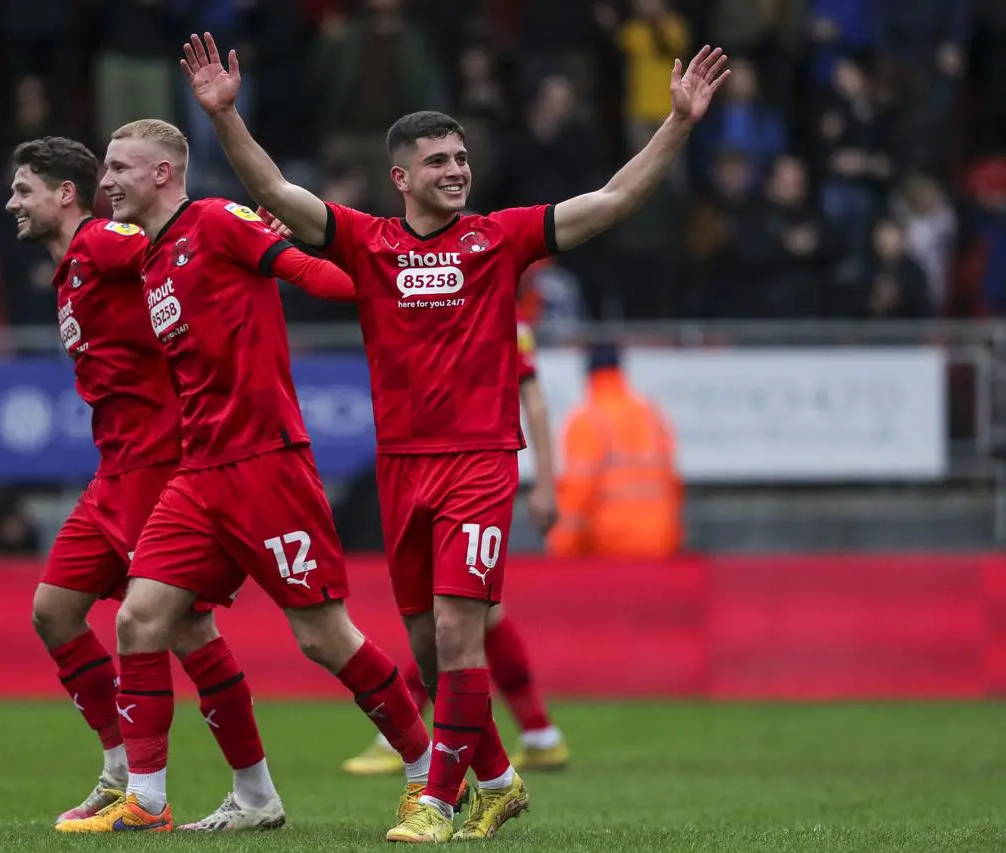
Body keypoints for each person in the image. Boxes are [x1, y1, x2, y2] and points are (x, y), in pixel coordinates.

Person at [180, 31, 728, 841]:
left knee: (455, 630)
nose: (456, 171)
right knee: (431, 653)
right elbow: (273, 188)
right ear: (400, 176)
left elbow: (611, 202)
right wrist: (225, 116)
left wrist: (677, 125)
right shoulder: (368, 243)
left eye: (461, 158)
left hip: (479, 460)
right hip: (403, 467)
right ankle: (500, 779)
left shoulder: (499, 238)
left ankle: (435, 801)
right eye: (438, 162)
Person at [56, 119, 447, 836]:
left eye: (118, 167)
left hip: (266, 462)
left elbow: (310, 273)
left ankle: (428, 774)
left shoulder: (216, 220)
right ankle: (151, 799)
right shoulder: (148, 258)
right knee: (140, 619)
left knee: (325, 637)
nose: (104, 181)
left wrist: (397, 289)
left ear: (164, 173)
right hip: (198, 470)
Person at [7, 136, 286, 831]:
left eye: (23, 189)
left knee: (185, 627)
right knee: (54, 610)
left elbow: (176, 256)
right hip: (114, 467)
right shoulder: (71, 267)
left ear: (62, 194)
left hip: (158, 462)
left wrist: (250, 242)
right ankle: (118, 771)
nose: (12, 202)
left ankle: (236, 790)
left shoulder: (105, 241)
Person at [343, 313, 569, 776]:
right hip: (435, 468)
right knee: (469, 618)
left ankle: (404, 737)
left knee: (452, 620)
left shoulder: (500, 315)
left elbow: (535, 402)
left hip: (472, 473)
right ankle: (538, 732)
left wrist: (547, 485)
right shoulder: (446, 298)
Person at [547, 343, 682, 559]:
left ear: (589, 375)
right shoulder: (652, 415)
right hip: (662, 542)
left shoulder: (587, 419)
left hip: (611, 546)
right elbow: (673, 483)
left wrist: (562, 547)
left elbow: (578, 492)